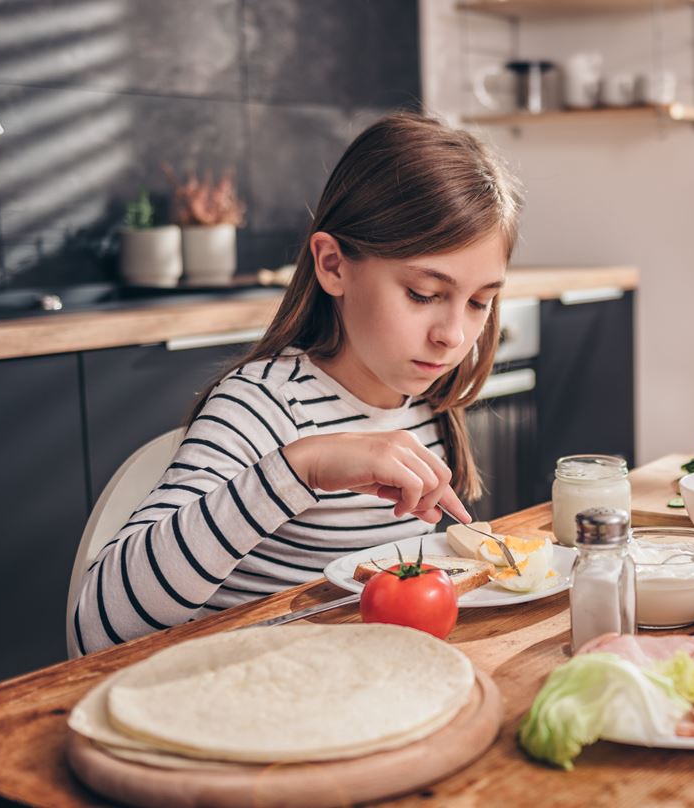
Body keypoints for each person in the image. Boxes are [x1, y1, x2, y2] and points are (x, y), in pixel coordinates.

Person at [73, 111, 523, 654]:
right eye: (424, 294)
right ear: (334, 265)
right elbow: (98, 625)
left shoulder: (426, 406)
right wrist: (300, 469)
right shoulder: (260, 406)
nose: (454, 335)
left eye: (480, 301)